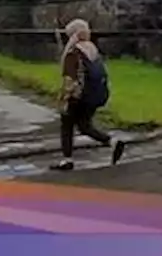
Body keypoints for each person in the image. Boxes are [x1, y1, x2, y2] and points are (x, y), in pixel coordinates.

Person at [51, 18, 126, 171]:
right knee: (84, 125)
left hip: (78, 96)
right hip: (94, 95)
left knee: (66, 124)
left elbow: (69, 79)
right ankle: (112, 141)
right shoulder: (92, 49)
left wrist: (64, 98)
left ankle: (67, 160)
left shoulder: (73, 53)